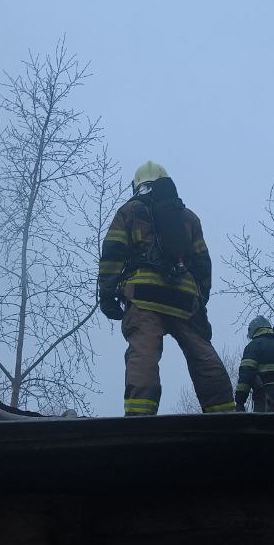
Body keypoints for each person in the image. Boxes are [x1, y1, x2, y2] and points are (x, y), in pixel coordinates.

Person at [98, 161, 236, 416]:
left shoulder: (130, 211)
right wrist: (198, 298)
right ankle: (224, 414)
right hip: (184, 298)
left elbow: (112, 253)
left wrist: (106, 295)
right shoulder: (188, 217)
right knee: (202, 354)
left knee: (144, 355)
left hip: (144, 296)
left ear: (138, 185)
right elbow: (203, 263)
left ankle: (140, 417)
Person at [235, 316, 274, 412]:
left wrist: (240, 401)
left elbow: (246, 374)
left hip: (264, 398)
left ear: (254, 331)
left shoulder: (254, 346)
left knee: (264, 426)